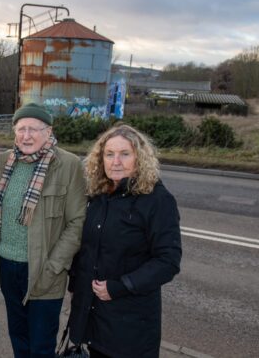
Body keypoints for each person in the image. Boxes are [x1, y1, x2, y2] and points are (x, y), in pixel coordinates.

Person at [67, 124, 182, 358]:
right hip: (94, 317)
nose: (115, 161)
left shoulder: (156, 200)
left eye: (125, 154)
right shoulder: (99, 196)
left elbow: (168, 261)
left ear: (139, 158)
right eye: (109, 154)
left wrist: (121, 286)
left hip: (131, 324)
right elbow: (87, 250)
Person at [0, 102, 87, 358]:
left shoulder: (69, 164)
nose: (26, 136)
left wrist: (54, 266)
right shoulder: (4, 162)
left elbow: (77, 222)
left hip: (44, 269)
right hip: (9, 265)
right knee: (18, 338)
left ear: (49, 131)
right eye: (21, 129)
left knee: (41, 345)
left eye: (34, 129)